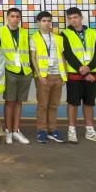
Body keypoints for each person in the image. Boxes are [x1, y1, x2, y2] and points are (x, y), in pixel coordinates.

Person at [61, 8, 96, 144]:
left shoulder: (94, 33)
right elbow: (68, 54)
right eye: (70, 18)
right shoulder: (64, 34)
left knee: (89, 103)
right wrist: (83, 71)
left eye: (75, 17)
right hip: (75, 74)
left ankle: (90, 131)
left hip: (92, 74)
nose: (73, 20)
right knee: (73, 103)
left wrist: (89, 69)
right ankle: (71, 131)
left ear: (81, 18)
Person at [0, 8, 33, 145]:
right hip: (8, 71)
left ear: (20, 18)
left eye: (17, 16)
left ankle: (16, 130)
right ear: (7, 18)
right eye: (12, 16)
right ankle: (8, 130)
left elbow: (29, 52)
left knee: (19, 102)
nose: (15, 19)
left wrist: (31, 70)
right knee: (9, 102)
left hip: (25, 72)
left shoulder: (24, 32)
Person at [29, 11, 66, 143]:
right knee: (42, 105)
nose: (46, 23)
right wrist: (39, 75)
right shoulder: (34, 38)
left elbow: (62, 57)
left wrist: (64, 76)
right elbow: (33, 58)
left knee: (54, 105)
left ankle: (53, 129)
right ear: (38, 23)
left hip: (58, 76)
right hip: (43, 77)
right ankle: (42, 130)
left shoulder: (58, 38)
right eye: (44, 21)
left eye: (49, 21)